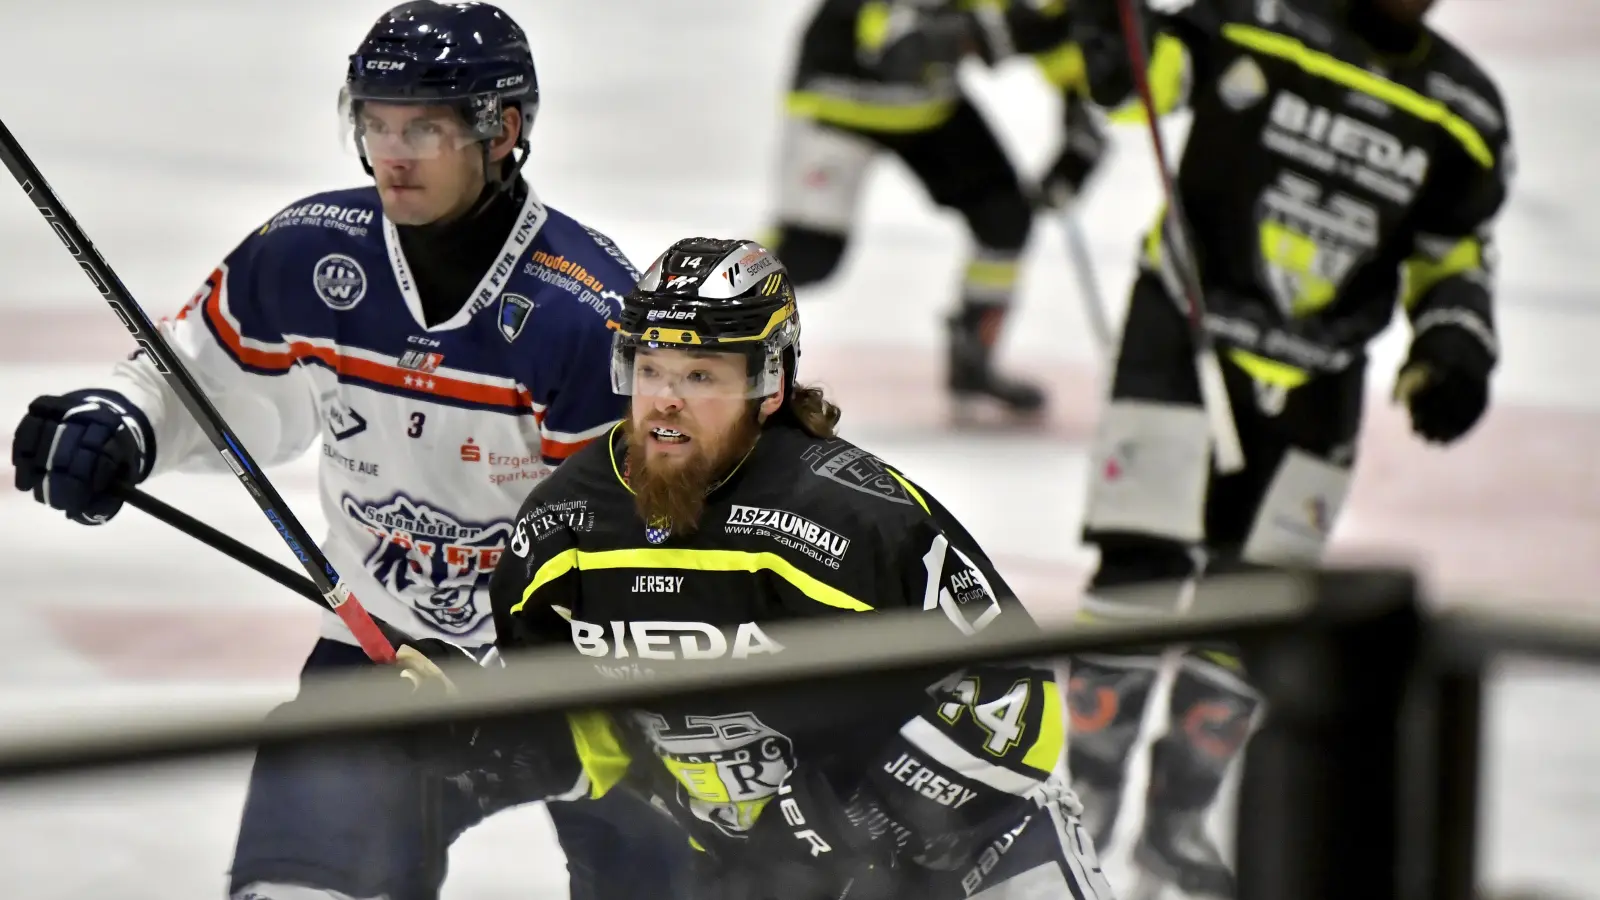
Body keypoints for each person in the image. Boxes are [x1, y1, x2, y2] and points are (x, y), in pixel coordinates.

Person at [8, 2, 692, 898]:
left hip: (581, 677)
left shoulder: (584, 314)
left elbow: (643, 553)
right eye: (374, 123)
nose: (391, 154)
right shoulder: (312, 253)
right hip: (384, 654)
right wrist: (122, 423)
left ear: (503, 132)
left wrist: (515, 671)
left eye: (425, 128)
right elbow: (203, 382)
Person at [401, 235, 1116, 899]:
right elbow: (598, 738)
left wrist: (851, 825)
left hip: (979, 863)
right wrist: (486, 731)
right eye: (649, 369)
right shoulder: (563, 533)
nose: (666, 400)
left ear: (769, 386)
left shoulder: (852, 516)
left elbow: (1015, 700)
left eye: (700, 374)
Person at [1058, 0, 1514, 896]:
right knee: (1138, 569)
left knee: (1259, 595)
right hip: (1186, 334)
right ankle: (1082, 798)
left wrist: (1454, 342)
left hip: (1320, 375)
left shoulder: (1465, 108)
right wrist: (1114, 48)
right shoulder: (1255, 19)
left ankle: (1178, 821)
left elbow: (1453, 250)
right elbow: (1148, 83)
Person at [764, 0, 1110, 416]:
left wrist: (1077, 109)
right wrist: (991, 32)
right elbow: (898, 48)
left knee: (1005, 219)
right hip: (841, 99)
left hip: (928, 104)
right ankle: (707, 318)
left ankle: (973, 355)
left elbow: (1046, 30)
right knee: (809, 253)